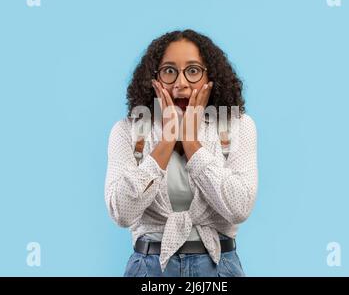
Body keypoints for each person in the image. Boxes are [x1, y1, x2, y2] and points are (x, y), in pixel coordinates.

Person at [104, 29, 258, 277]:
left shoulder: (238, 126)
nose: (181, 83)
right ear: (153, 80)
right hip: (150, 269)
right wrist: (167, 141)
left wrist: (190, 141)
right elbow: (121, 213)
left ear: (211, 77)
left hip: (219, 268)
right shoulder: (128, 131)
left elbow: (239, 207)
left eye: (193, 70)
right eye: (169, 71)